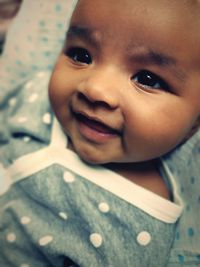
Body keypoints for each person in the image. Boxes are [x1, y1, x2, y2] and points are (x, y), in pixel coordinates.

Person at [0, 0, 200, 266]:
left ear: (194, 124)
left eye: (147, 79)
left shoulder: (135, 234)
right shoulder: (37, 95)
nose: (95, 89)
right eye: (82, 55)